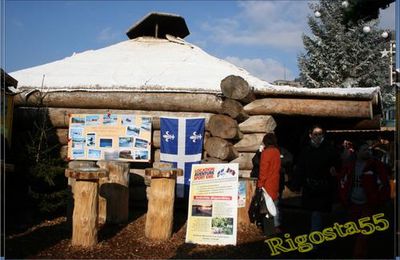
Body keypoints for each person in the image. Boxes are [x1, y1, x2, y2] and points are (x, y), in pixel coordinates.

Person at [337, 142, 390, 258]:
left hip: (368, 204)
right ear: (358, 151)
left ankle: (359, 256)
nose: (368, 151)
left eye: (369, 149)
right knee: (354, 232)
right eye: (365, 149)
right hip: (353, 203)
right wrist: (344, 198)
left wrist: (378, 200)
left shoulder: (375, 165)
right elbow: (343, 182)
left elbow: (383, 183)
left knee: (364, 233)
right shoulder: (350, 165)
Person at [292, 124, 339, 232]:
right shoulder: (305, 151)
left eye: (320, 134)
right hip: (310, 187)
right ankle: (315, 238)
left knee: (322, 215)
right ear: (310, 135)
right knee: (312, 215)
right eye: (315, 134)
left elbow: (337, 166)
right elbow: (300, 168)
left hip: (324, 187)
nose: (318, 136)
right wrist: (297, 184)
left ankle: (319, 239)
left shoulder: (329, 150)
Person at [257, 132, 282, 234]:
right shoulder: (276, 151)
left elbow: (263, 170)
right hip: (275, 182)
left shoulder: (266, 153)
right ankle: (277, 226)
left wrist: (260, 184)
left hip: (267, 184)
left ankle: (270, 230)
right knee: (275, 205)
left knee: (267, 207)